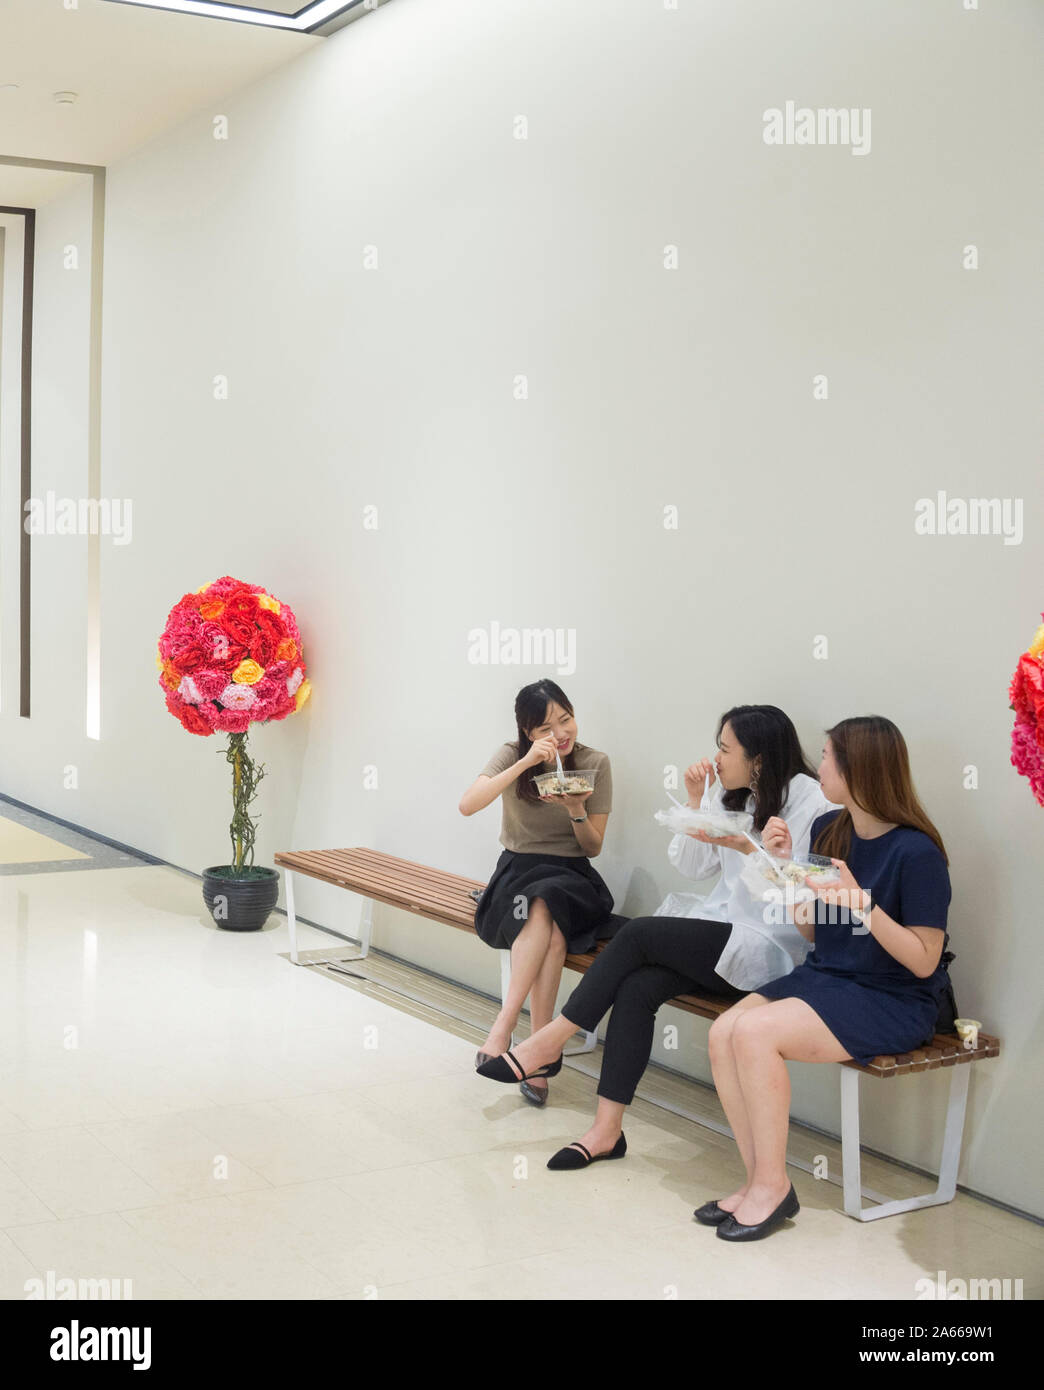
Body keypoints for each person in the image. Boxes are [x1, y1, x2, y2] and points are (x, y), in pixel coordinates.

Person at [476, 705, 837, 1159]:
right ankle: (606, 1131)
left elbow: (812, 900)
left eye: (725, 750)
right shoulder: (734, 792)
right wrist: (694, 800)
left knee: (640, 934)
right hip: (722, 932)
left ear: (759, 760)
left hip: (772, 946)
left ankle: (549, 1041)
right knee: (637, 987)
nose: (717, 759)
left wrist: (754, 850)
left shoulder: (816, 806)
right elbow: (691, 866)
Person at [696, 715, 953, 1241]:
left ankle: (770, 1190)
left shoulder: (918, 852)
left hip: (892, 996)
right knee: (723, 1031)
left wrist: (864, 905)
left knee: (754, 1032)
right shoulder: (827, 830)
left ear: (859, 770)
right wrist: (786, 867)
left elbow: (925, 960)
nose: (821, 765)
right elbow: (814, 932)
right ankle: (761, 1181)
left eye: (829, 757)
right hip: (828, 976)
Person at [459, 679, 622, 1105]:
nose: (561, 734)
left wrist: (575, 811)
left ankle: (503, 1027)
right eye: (546, 728)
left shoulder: (595, 763)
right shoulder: (514, 755)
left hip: (573, 878)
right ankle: (542, 1052)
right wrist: (525, 762)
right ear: (528, 732)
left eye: (566, 719)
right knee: (546, 926)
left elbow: (593, 847)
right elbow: (468, 804)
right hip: (517, 873)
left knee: (547, 898)